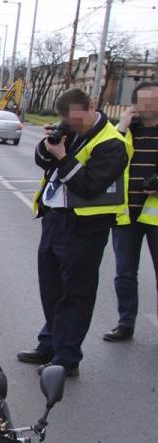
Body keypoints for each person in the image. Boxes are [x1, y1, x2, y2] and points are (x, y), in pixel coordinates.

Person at [16, 88, 131, 378]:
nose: (72, 125)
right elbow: (44, 162)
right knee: (51, 288)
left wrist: (63, 157)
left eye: (76, 120)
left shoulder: (112, 144)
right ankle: (50, 343)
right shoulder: (71, 129)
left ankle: (67, 358)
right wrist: (48, 145)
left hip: (85, 227)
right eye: (67, 120)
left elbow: (90, 185)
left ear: (92, 106)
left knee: (75, 294)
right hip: (55, 219)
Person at [103, 81, 158, 342]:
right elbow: (105, 157)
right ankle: (126, 323)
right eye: (145, 100)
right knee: (125, 273)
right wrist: (122, 124)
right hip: (126, 213)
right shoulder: (124, 132)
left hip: (157, 216)